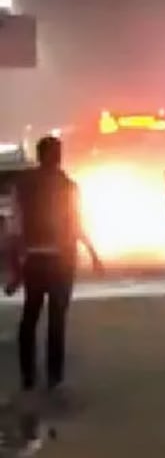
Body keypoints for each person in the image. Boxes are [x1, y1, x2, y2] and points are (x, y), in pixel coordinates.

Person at [4, 136, 103, 394]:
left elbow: (15, 229)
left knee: (31, 317)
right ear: (51, 155)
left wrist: (15, 270)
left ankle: (30, 376)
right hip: (60, 261)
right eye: (57, 153)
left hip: (37, 260)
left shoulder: (24, 185)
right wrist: (92, 253)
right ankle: (53, 376)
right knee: (55, 319)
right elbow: (75, 222)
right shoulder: (67, 184)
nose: (59, 157)